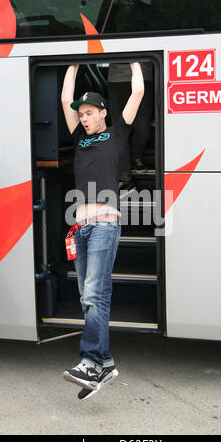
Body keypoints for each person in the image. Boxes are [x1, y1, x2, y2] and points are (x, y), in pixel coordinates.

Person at [61, 62, 144, 399]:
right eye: (81, 113)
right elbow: (65, 98)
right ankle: (104, 362)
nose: (83, 116)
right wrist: (71, 64)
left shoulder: (117, 133)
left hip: (105, 224)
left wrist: (135, 60)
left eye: (90, 112)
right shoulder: (79, 139)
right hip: (79, 226)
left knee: (95, 293)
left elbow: (137, 92)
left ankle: (91, 359)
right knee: (88, 297)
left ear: (104, 113)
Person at [108, 62, 154, 194]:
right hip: (116, 78)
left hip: (143, 74)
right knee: (119, 127)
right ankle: (124, 176)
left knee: (142, 126)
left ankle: (136, 157)